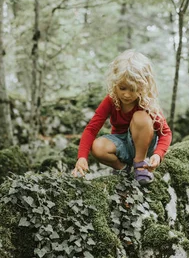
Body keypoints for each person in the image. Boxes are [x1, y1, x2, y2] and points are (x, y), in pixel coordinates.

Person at [71, 50, 172, 185]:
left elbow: (166, 133)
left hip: (145, 145)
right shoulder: (111, 100)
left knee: (141, 117)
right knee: (97, 146)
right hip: (122, 145)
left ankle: (140, 164)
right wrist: (82, 157)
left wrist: (158, 154)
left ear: (143, 87)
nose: (126, 95)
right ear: (115, 84)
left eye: (133, 89)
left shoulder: (147, 103)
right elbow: (91, 129)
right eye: (122, 88)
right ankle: (123, 168)